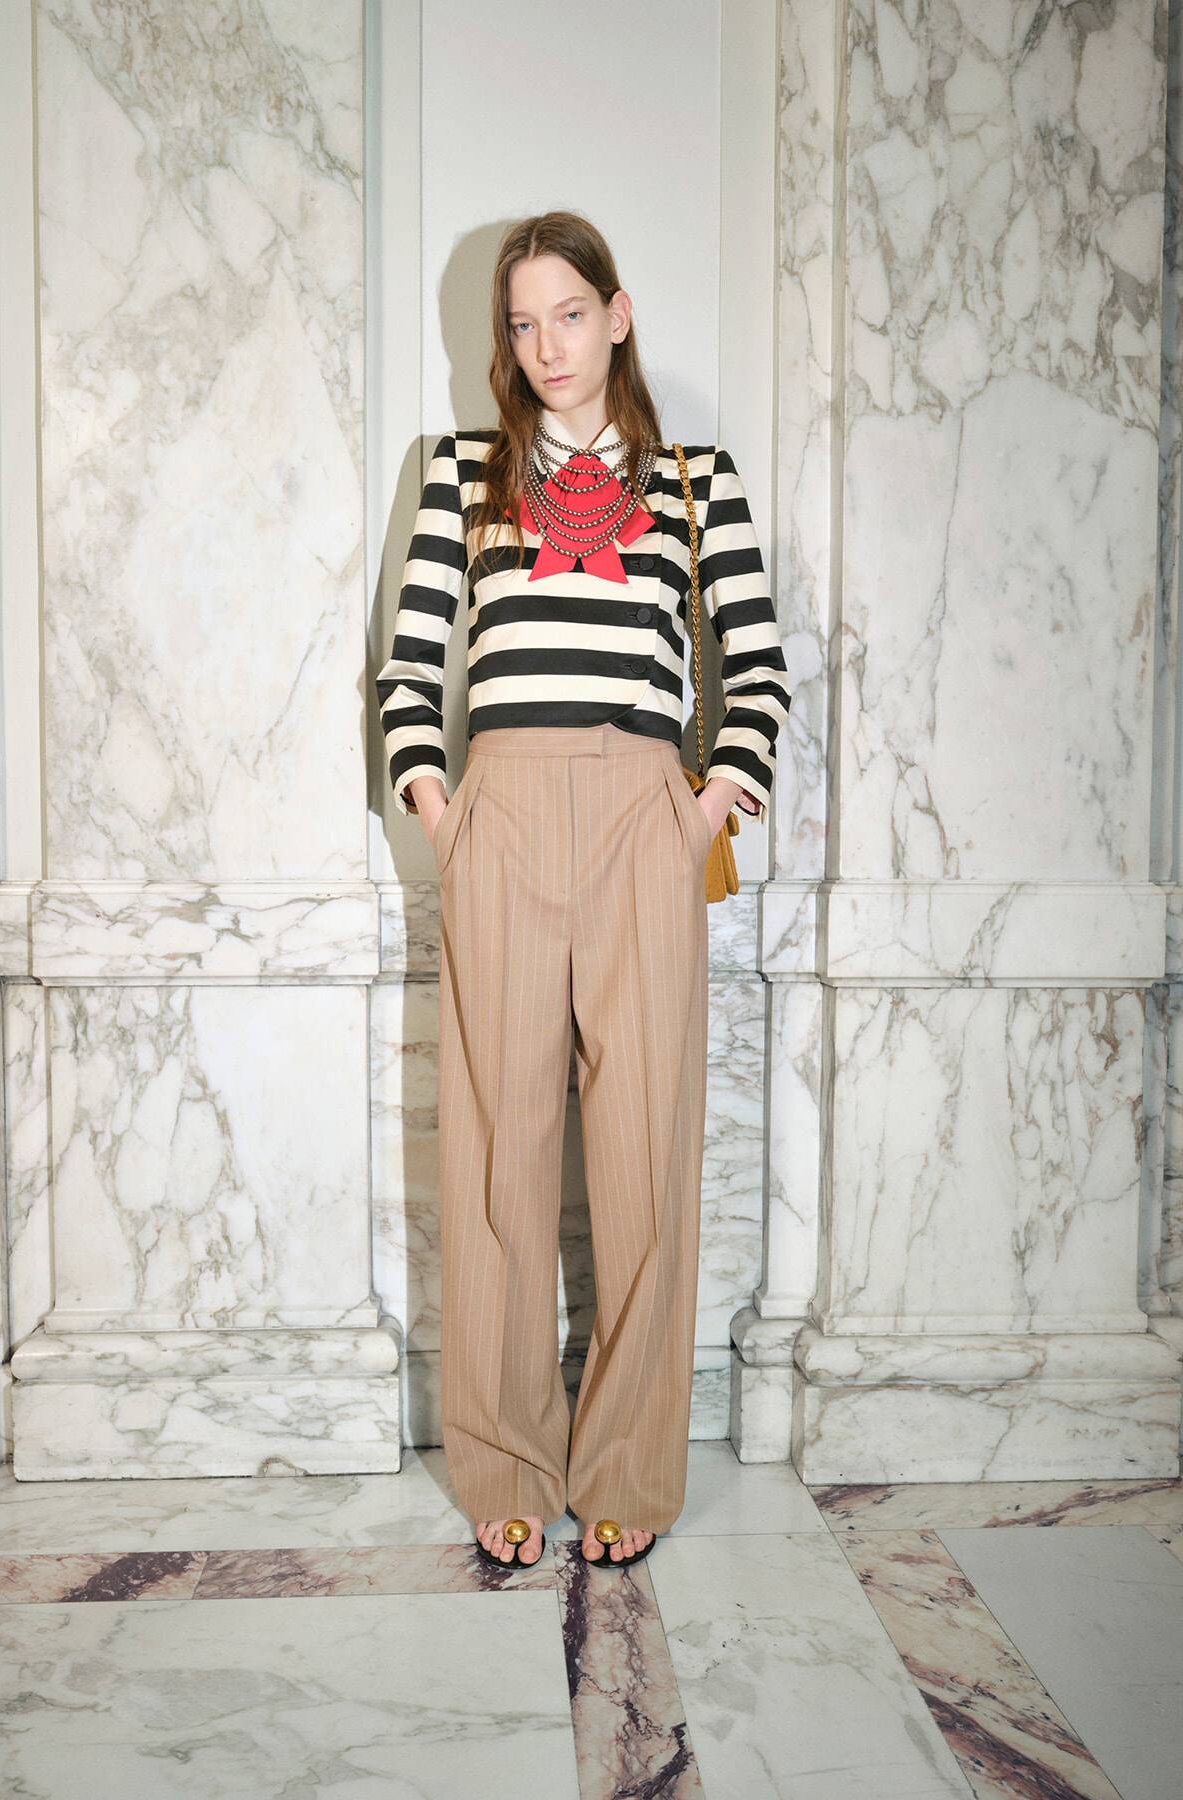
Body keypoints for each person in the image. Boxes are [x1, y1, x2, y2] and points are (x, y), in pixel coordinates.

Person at [377, 212, 790, 1570]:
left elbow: (758, 666)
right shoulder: (460, 476)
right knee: (498, 1151)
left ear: (618, 313)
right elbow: (411, 664)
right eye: (520, 321)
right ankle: (501, 1455)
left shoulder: (695, 477)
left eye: (569, 312)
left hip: (637, 819)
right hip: (498, 813)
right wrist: (441, 805)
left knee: (645, 1153)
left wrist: (709, 804)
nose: (545, 344)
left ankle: (626, 1467)